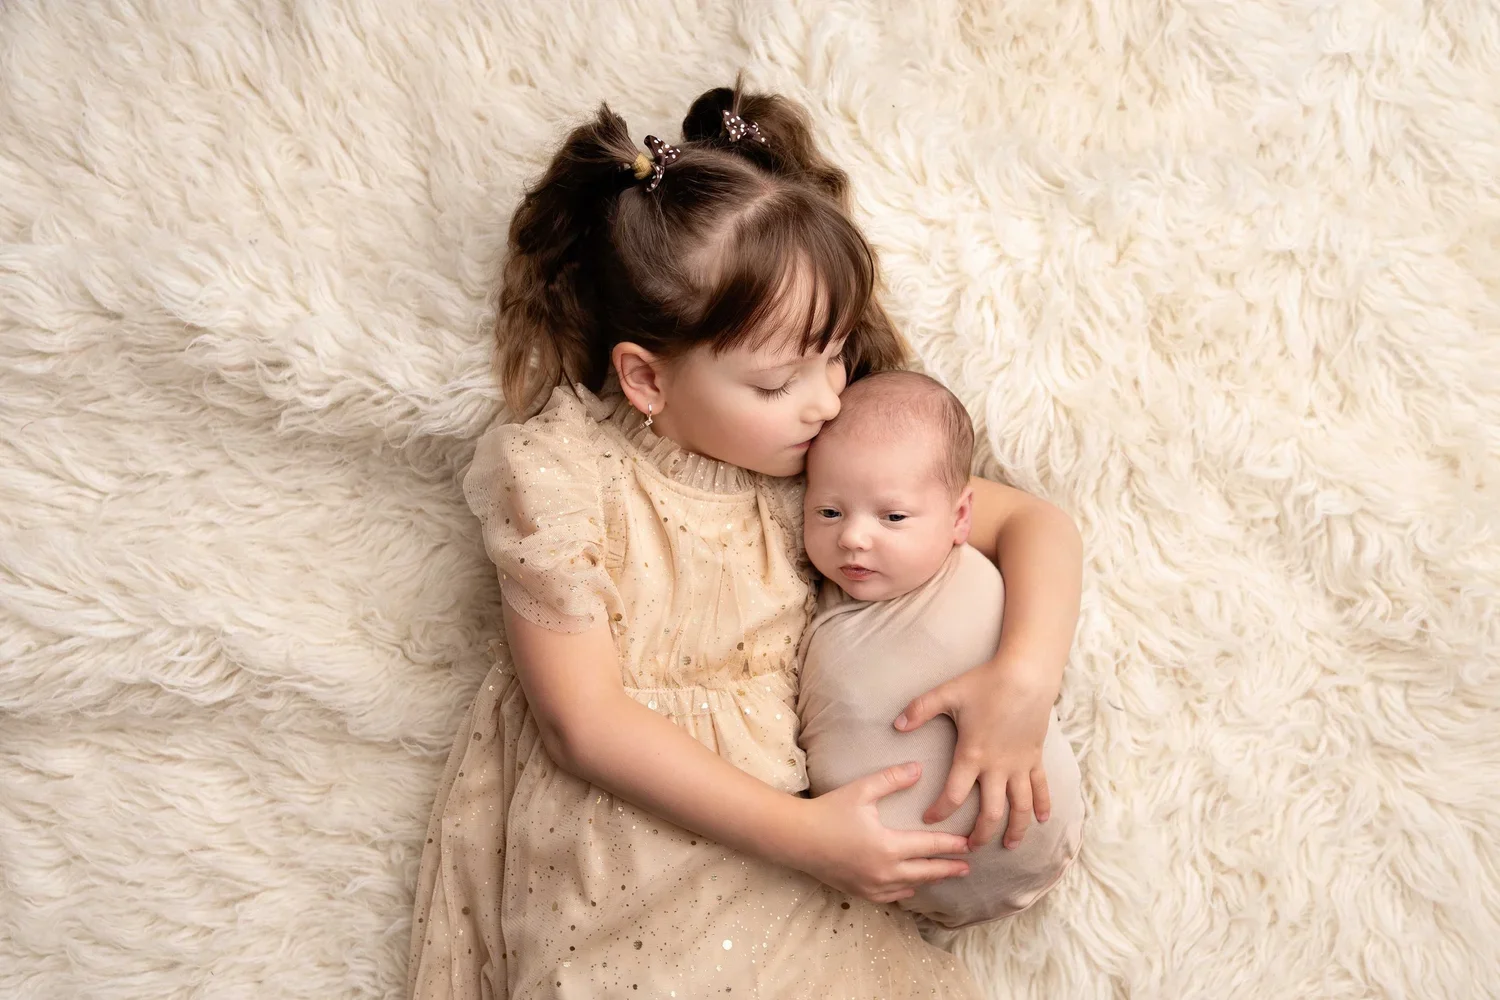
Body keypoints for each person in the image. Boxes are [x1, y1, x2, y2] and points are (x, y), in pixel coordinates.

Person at [407, 80, 1084, 1000]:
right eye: (776, 383)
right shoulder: (565, 479)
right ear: (647, 380)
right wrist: (806, 837)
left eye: (836, 354)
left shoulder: (826, 469)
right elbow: (582, 723)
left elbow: (1036, 524)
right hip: (633, 869)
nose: (827, 398)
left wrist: (1024, 681)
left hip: (805, 866)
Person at [797, 370, 1084, 930]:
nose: (852, 537)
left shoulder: (964, 561)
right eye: (828, 513)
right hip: (862, 875)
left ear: (959, 519)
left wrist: (1024, 679)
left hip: (1032, 839)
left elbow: (1042, 525)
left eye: (892, 518)